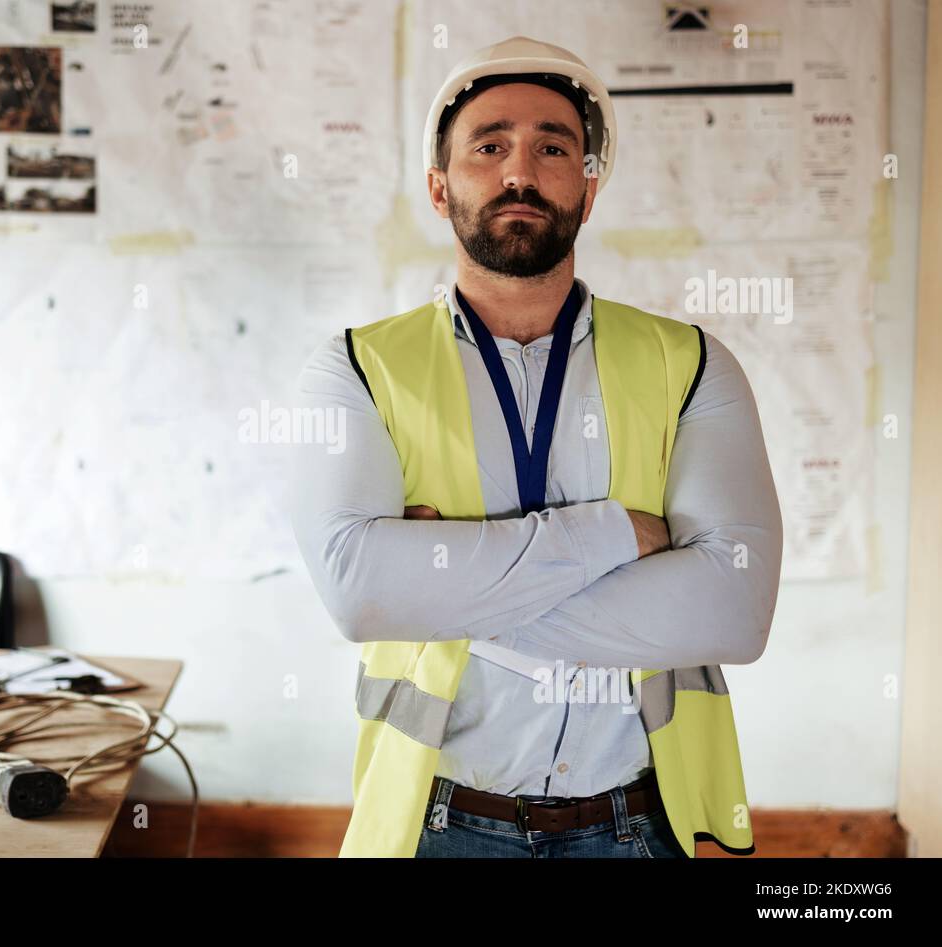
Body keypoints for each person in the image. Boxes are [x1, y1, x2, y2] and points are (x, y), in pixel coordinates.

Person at [288, 36, 783, 858]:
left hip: (638, 823)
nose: (522, 171)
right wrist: (616, 539)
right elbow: (358, 595)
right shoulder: (358, 367)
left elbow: (736, 611)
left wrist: (443, 584)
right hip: (441, 822)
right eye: (490, 146)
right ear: (440, 187)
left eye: (554, 147)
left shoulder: (691, 364)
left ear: (587, 192)